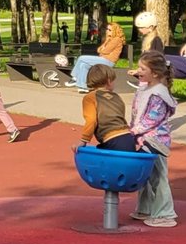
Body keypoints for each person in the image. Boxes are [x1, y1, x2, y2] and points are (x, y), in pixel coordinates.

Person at [129, 52, 179, 227]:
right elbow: (138, 105)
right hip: (143, 139)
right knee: (145, 176)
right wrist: (140, 76)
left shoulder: (159, 94)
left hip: (154, 141)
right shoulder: (147, 88)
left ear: (155, 73)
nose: (139, 71)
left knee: (158, 177)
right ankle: (146, 207)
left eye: (143, 68)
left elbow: (152, 118)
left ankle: (165, 213)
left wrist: (133, 131)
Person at [77, 63, 136, 150]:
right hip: (128, 137)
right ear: (109, 81)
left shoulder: (89, 97)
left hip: (111, 138)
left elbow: (91, 120)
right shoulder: (116, 96)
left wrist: (84, 140)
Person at [69, 18, 126, 90]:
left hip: (109, 61)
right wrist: (103, 49)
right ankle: (83, 86)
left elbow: (105, 51)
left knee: (81, 58)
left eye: (110, 30)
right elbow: (99, 50)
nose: (107, 31)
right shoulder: (109, 39)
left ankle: (75, 77)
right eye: (107, 29)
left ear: (115, 31)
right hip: (104, 59)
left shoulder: (116, 39)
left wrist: (103, 50)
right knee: (84, 65)